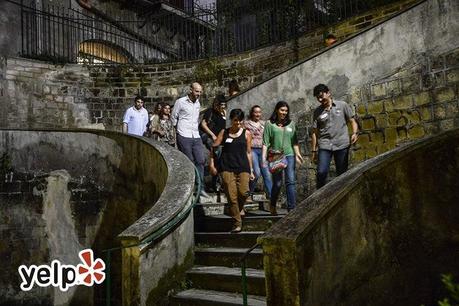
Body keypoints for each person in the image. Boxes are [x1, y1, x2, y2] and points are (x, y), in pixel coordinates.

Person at [209, 109, 255, 233]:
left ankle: (236, 210)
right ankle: (237, 222)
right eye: (235, 120)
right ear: (231, 120)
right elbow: (214, 148)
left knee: (244, 192)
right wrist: (212, 164)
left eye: (240, 121)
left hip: (243, 166)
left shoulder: (247, 133)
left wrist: (251, 170)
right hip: (226, 167)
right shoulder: (224, 132)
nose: (238, 123)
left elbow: (249, 152)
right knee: (231, 196)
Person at [311, 84, 359, 189]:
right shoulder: (317, 112)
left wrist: (354, 133)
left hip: (341, 143)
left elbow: (352, 121)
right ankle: (319, 196)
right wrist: (314, 151)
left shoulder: (342, 105)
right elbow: (314, 132)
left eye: (321, 96)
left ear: (328, 93)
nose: (320, 99)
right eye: (318, 98)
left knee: (342, 174)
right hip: (325, 145)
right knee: (321, 172)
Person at [262, 101, 304, 214]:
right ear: (277, 110)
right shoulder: (269, 124)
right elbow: (265, 142)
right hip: (275, 155)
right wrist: (263, 158)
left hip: (289, 154)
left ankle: (292, 208)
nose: (284, 112)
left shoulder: (291, 124)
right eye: (282, 110)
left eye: (286, 111)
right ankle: (273, 204)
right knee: (278, 183)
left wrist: (298, 154)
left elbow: (294, 142)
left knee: (290, 181)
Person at [171, 82, 207, 193]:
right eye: (197, 91)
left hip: (195, 135)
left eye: (200, 92)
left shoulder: (197, 104)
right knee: (189, 161)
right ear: (190, 90)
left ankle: (200, 187)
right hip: (183, 134)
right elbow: (173, 118)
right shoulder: (180, 102)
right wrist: (177, 133)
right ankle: (190, 188)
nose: (199, 94)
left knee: (201, 160)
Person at [244, 105, 272, 199]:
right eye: (256, 112)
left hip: (263, 150)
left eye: (259, 112)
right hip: (252, 149)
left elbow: (268, 136)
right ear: (252, 113)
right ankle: (249, 194)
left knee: (267, 174)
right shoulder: (246, 124)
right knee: (256, 173)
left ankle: (272, 199)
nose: (258, 114)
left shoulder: (264, 123)